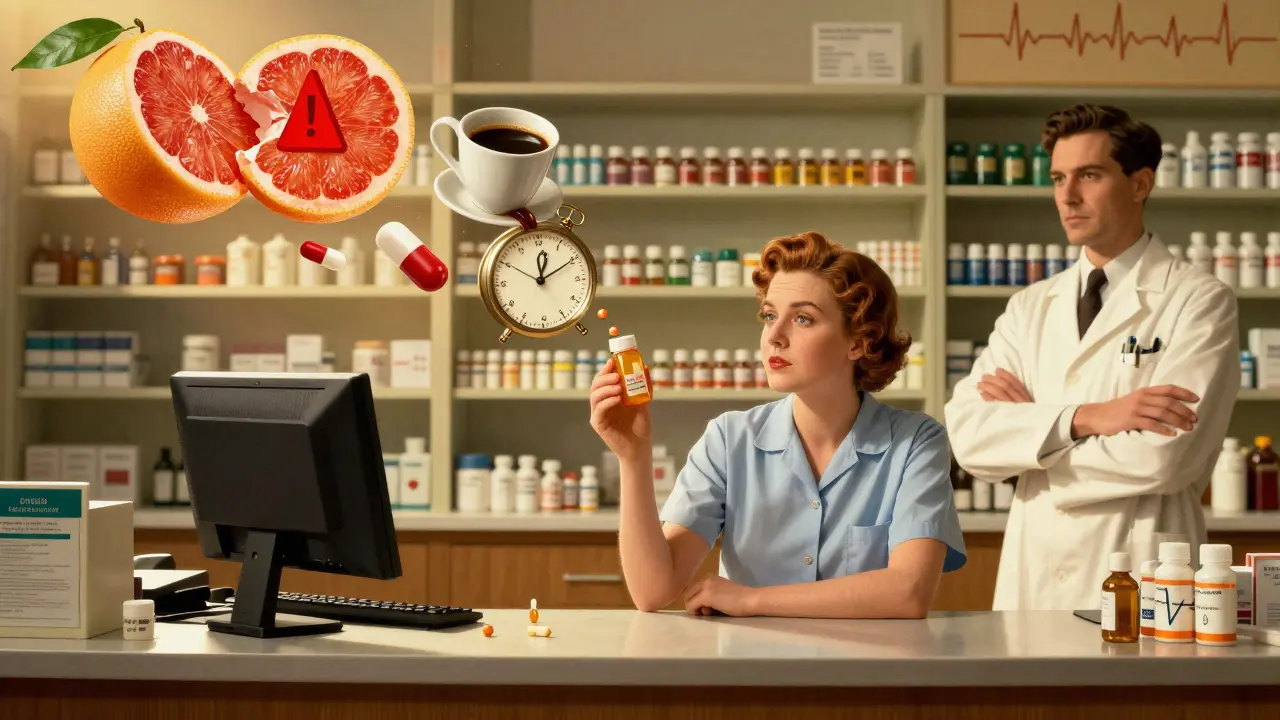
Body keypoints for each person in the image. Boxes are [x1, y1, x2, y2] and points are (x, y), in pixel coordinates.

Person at [944, 104, 1239, 611]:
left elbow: (1164, 459)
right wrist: (1088, 418)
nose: (1067, 196)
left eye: (1089, 175)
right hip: (1034, 575)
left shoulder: (1198, 300)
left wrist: (1033, 449)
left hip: (1142, 568)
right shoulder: (1030, 307)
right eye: (1058, 178)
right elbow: (970, 437)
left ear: (1140, 184)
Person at [589, 231, 966, 618]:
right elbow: (653, 591)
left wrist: (750, 600)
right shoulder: (729, 440)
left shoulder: (916, 442)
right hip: (751, 658)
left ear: (858, 342)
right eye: (770, 316)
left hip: (867, 659)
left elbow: (909, 592)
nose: (774, 336)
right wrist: (633, 457)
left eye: (803, 318)